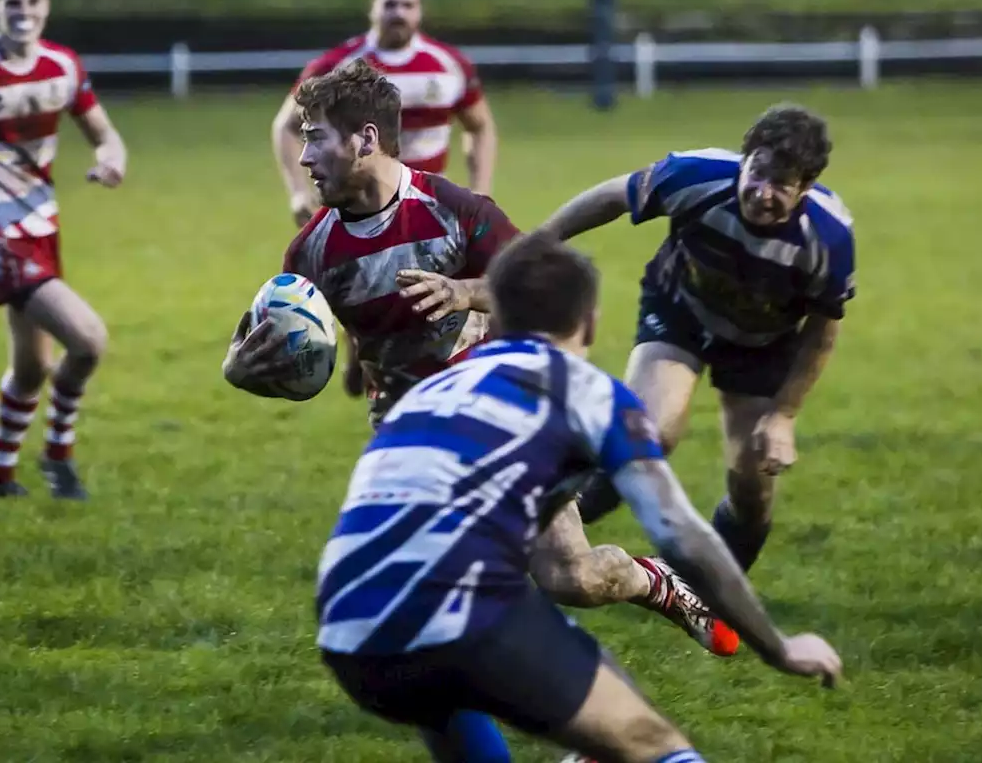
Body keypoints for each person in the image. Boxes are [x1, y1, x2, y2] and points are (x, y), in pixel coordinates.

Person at [315, 231, 843, 763]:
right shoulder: (585, 388)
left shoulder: (425, 393)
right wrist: (778, 646)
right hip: (459, 613)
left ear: (494, 320)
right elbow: (678, 531)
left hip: (347, 628)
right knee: (651, 744)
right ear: (588, 323)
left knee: (442, 686)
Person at [225, 58, 706, 640]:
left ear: (365, 139)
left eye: (315, 139)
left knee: (571, 577)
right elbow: (308, 347)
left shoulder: (457, 211)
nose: (303, 159)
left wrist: (467, 291)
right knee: (422, 616)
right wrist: (246, 367)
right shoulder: (311, 254)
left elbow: (544, 290)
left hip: (502, 417)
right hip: (409, 442)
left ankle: (655, 582)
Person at [537, 105, 856, 656]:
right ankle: (549, 533)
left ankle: (703, 594)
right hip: (680, 312)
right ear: (744, 159)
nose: (761, 192)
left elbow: (821, 335)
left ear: (806, 188)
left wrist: (783, 416)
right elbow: (614, 194)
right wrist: (542, 241)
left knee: (753, 490)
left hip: (763, 344)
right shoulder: (697, 176)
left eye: (780, 185)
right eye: (756, 172)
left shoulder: (828, 238)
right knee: (648, 432)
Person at [271, 0, 499, 398]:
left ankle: (414, 379)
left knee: (442, 306)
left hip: (429, 208)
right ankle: (368, 358)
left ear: (420, 12)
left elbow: (481, 126)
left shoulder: (448, 66)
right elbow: (285, 125)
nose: (398, 13)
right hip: (356, 203)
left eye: (407, 5)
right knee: (363, 288)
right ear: (372, 8)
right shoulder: (339, 68)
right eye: (389, 4)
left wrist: (479, 187)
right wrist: (298, 190)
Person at [0, 0, 127, 500]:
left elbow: (104, 133)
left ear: (45, 5)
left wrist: (112, 157)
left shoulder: (63, 66)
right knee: (89, 340)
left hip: (41, 227)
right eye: (12, 3)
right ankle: (58, 455)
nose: (23, 12)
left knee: (31, 368)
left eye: (32, 2)